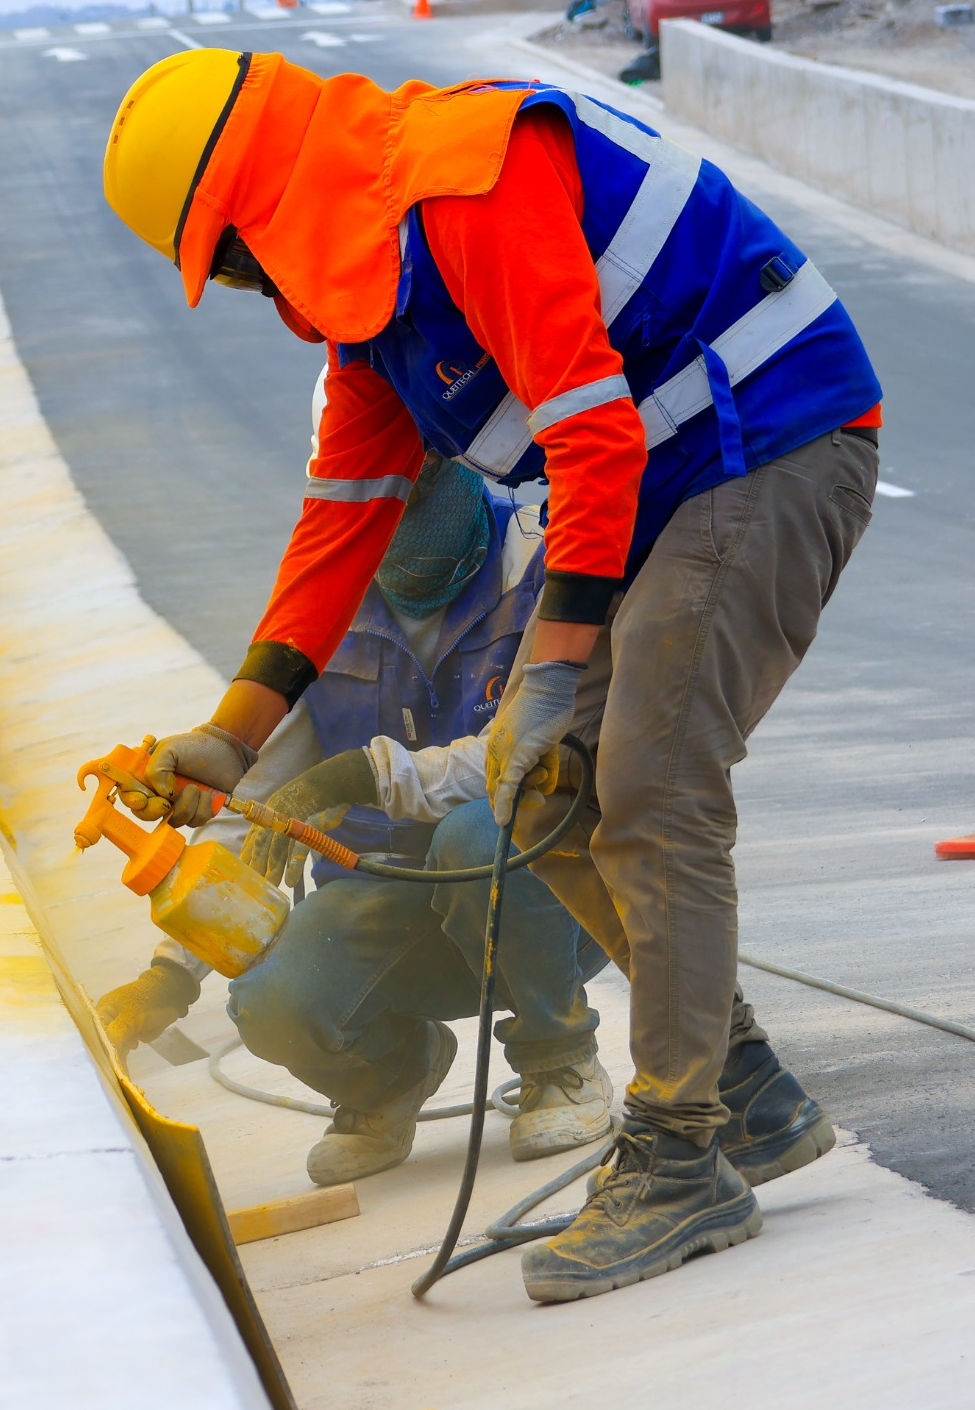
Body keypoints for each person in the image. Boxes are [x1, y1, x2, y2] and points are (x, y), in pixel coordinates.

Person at [96, 48, 880, 1302]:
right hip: (661, 489)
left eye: (235, 264)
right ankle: (744, 1088)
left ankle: (680, 1154)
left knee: (647, 781)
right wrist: (229, 738)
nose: (255, 294)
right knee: (539, 797)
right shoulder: (374, 317)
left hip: (765, 444)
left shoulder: (465, 182)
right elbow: (339, 524)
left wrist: (546, 682)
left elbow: (593, 433)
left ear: (267, 209)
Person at [100, 454, 620, 1183]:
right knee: (270, 1001)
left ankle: (561, 1059)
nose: (401, 508)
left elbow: (525, 754)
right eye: (379, 490)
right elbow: (252, 801)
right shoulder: (323, 616)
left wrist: (369, 775)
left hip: (546, 899)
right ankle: (390, 1078)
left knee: (471, 833)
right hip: (392, 902)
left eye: (420, 481)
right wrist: (172, 975)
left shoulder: (539, 569)